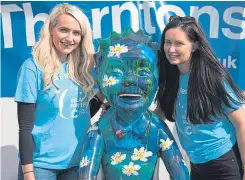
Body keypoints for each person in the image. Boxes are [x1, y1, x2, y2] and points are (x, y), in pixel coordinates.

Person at [78, 28, 190, 180]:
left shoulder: (156, 129)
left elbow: (180, 173)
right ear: (99, 76)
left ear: (158, 76)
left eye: (143, 72)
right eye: (116, 72)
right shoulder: (99, 132)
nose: (129, 80)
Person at [155, 15, 245, 180]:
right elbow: (161, 112)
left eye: (179, 43)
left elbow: (241, 125)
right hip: (196, 165)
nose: (171, 49)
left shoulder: (213, 79)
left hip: (225, 164)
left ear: (194, 46)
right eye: (167, 42)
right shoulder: (169, 77)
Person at [15, 3, 101, 180]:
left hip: (76, 165)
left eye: (76, 33)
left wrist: (102, 97)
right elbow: (24, 128)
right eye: (64, 30)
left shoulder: (82, 70)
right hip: (40, 167)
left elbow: (77, 114)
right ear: (51, 30)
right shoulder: (32, 68)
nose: (70, 38)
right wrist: (28, 174)